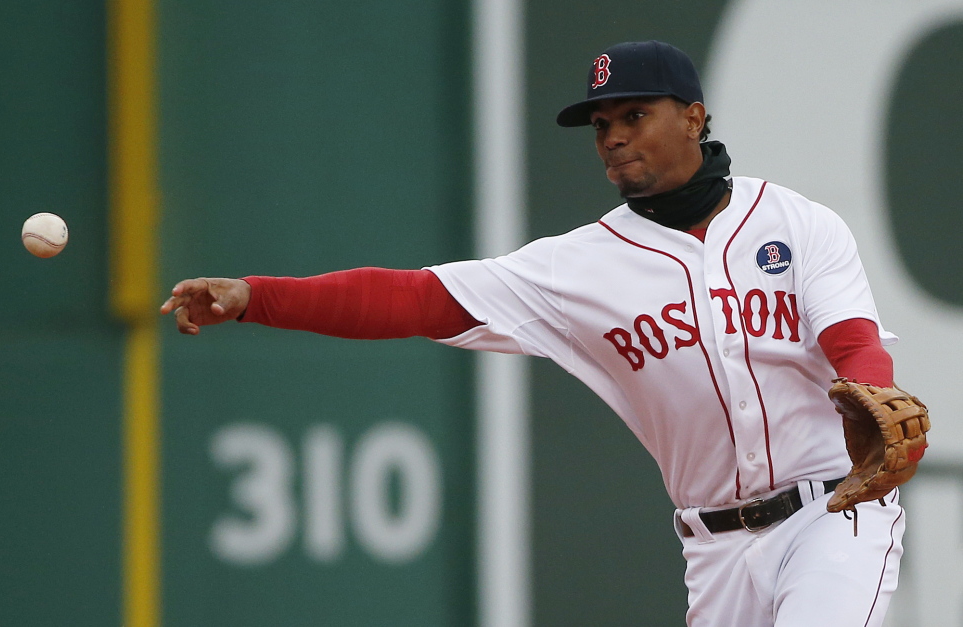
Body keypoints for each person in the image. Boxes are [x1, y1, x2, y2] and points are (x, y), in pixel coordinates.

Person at [162, 40, 918, 626]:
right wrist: (255, 296)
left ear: (692, 115)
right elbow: (414, 299)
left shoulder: (796, 223)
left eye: (633, 115)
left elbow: (850, 336)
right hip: (715, 548)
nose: (613, 137)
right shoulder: (576, 268)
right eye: (600, 125)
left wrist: (872, 392)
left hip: (834, 509)